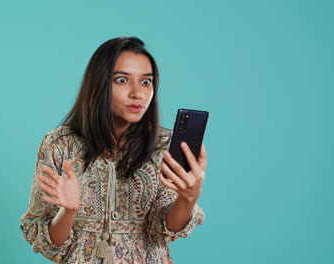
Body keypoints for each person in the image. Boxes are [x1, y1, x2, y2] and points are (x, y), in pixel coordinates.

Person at [20, 36, 207, 263]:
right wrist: (68, 211)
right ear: (98, 83)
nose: (137, 93)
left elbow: (164, 230)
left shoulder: (163, 145)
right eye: (122, 80)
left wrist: (189, 197)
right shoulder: (60, 144)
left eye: (146, 82)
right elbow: (47, 242)